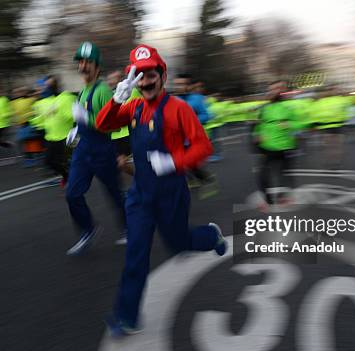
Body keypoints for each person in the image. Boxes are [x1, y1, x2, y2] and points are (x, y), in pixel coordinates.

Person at [95, 44, 227, 336]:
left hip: (171, 193)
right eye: (139, 76)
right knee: (135, 255)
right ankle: (128, 317)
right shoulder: (132, 106)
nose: (146, 81)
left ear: (162, 75)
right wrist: (116, 100)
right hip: (141, 194)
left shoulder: (179, 109)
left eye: (151, 74)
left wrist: (173, 162)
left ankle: (211, 235)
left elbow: (204, 147)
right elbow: (102, 124)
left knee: (179, 243)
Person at [64, 41, 127, 253]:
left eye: (88, 62)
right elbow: (83, 122)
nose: (83, 65)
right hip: (83, 151)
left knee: (115, 193)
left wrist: (88, 120)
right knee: (72, 193)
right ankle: (88, 230)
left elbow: (112, 124)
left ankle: (130, 228)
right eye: (80, 62)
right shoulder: (82, 93)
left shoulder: (103, 92)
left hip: (102, 151)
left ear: (97, 66)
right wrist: (76, 130)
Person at [252, 81, 299, 207]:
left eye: (277, 89)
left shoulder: (290, 106)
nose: (273, 92)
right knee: (262, 174)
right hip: (267, 146)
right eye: (271, 89)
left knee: (283, 173)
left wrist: (288, 124)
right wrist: (256, 134)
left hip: (285, 146)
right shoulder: (265, 108)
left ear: (283, 90)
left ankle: (283, 196)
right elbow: (259, 123)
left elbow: (301, 123)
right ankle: (268, 199)